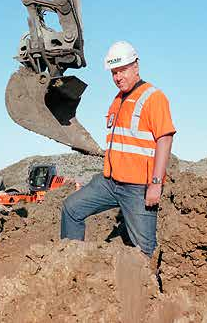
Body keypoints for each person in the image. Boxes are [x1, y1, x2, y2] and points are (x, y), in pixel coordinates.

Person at [60, 41, 176, 256]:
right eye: (114, 73)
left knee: (144, 250)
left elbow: (165, 140)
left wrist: (156, 184)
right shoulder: (117, 100)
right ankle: (70, 263)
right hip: (110, 183)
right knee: (72, 208)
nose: (118, 77)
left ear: (136, 66)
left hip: (137, 188)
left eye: (122, 70)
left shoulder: (153, 97)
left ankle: (148, 287)